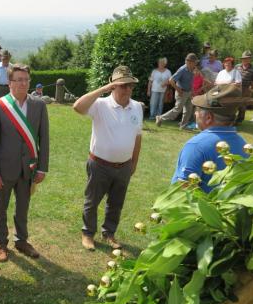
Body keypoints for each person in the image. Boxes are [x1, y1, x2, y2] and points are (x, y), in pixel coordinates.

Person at [73, 66, 143, 251]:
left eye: (130, 86)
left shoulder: (136, 107)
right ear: (113, 87)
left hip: (124, 166)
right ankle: (88, 234)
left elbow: (137, 136)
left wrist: (133, 163)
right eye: (122, 85)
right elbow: (77, 107)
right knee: (92, 201)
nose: (127, 89)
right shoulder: (100, 104)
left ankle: (109, 233)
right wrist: (102, 90)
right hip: (100, 164)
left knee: (116, 203)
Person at [0, 64, 49, 262]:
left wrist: (42, 168)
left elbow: (43, 139)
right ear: (10, 83)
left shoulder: (39, 106)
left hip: (28, 169)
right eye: (18, 79)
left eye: (26, 79)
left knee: (23, 207)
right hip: (4, 170)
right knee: (0, 209)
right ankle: (1, 244)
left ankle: (21, 240)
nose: (23, 83)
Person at [172, 84, 250, 192]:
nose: (195, 113)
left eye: (198, 110)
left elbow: (180, 193)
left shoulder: (196, 146)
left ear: (208, 117)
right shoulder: (244, 145)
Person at [156, 53, 198, 129]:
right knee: (177, 110)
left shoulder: (193, 69)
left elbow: (191, 81)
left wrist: (192, 91)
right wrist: (178, 90)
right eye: (194, 62)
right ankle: (160, 118)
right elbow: (171, 80)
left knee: (188, 110)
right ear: (189, 62)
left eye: (195, 62)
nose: (195, 64)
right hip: (181, 92)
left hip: (188, 92)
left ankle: (183, 126)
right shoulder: (182, 70)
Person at [235, 50, 253, 123]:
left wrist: (252, 89)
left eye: (246, 58)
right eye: (243, 58)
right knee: (234, 103)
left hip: (246, 89)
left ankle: (240, 119)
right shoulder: (237, 66)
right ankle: (232, 118)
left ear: (250, 59)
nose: (245, 60)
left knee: (243, 105)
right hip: (236, 88)